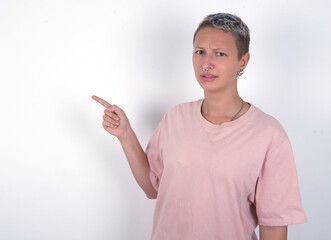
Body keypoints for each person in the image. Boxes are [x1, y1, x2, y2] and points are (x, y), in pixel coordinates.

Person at [92, 13, 306, 240]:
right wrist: (125, 135)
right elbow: (152, 188)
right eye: (200, 52)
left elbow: (273, 226)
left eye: (220, 54)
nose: (207, 63)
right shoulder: (176, 117)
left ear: (242, 61)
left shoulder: (269, 134)